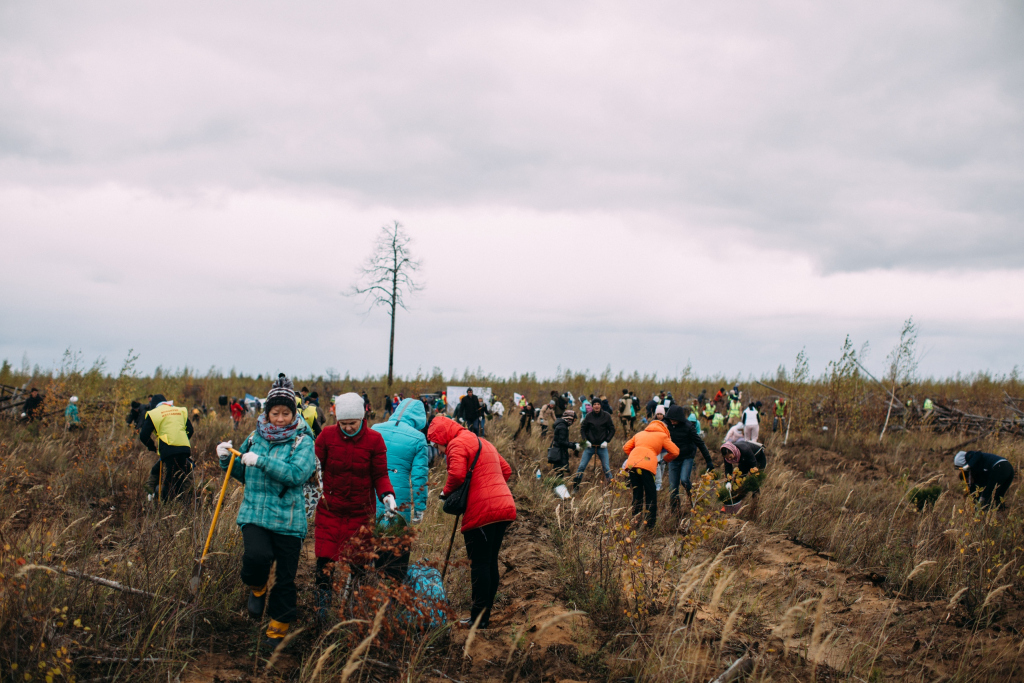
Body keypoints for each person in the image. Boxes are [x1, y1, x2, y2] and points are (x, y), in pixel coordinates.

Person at [214, 374, 316, 649]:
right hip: (255, 514)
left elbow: (297, 474)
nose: (280, 418)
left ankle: (277, 631)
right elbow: (244, 474)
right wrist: (227, 459)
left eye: (286, 413)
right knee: (256, 557)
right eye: (275, 413)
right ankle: (257, 587)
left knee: (285, 579)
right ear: (267, 413)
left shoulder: (303, 441)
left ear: (294, 413)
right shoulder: (254, 437)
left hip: (288, 520)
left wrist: (262, 461)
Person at [314, 393, 398, 620]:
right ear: (337, 420)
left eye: (353, 423)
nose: (348, 428)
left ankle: (351, 604)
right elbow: (314, 467)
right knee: (324, 560)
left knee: (358, 561)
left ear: (362, 418)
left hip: (361, 512)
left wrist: (387, 495)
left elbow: (380, 475)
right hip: (330, 510)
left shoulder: (374, 440)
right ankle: (321, 607)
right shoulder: (326, 436)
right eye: (344, 423)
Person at [429, 415, 516, 629]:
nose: (439, 451)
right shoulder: (483, 441)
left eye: (436, 445)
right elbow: (506, 470)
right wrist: (489, 488)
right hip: (504, 507)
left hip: (483, 513)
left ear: (442, 437)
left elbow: (457, 476)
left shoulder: (456, 444)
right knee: (489, 562)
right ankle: (484, 617)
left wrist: (445, 493)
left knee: (479, 564)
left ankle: (477, 619)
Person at [373, 398, 429, 526]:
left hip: (374, 491)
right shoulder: (418, 438)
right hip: (400, 495)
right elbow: (419, 476)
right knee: (397, 538)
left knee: (371, 539)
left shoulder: (375, 428)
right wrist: (419, 507)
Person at [622, 417, 679, 529]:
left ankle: (635, 522)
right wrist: (664, 460)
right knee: (651, 494)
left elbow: (626, 447)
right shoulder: (662, 436)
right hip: (647, 466)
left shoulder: (640, 434)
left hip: (633, 465)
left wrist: (635, 457)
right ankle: (649, 525)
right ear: (664, 428)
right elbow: (675, 451)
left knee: (637, 494)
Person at [140, 394, 194, 501]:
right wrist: (181, 440)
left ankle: (167, 507)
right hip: (184, 449)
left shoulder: (154, 413)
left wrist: (152, 447)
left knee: (169, 480)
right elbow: (190, 430)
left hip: (168, 449)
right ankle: (182, 504)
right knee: (179, 477)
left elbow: (143, 435)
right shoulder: (179, 410)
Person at [665, 404, 714, 511]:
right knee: (673, 488)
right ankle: (674, 511)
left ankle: (692, 501)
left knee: (684, 480)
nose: (672, 421)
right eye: (670, 419)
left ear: (679, 418)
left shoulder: (688, 427)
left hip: (687, 457)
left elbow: (700, 443)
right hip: (674, 459)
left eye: (674, 419)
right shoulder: (667, 426)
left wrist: (709, 461)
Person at [573, 398, 616, 490]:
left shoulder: (606, 416)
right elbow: (583, 429)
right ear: (592, 406)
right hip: (589, 446)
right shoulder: (589, 416)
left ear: (601, 406)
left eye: (598, 404)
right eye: (595, 404)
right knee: (581, 466)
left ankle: (611, 489)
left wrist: (606, 441)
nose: (596, 406)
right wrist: (586, 440)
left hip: (602, 446)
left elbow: (612, 429)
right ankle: (575, 487)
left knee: (606, 468)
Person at [548, 410, 578, 477]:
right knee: (560, 473)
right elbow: (561, 442)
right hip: (560, 453)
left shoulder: (561, 425)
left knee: (559, 472)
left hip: (559, 452)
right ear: (569, 418)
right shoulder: (563, 427)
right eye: (574, 420)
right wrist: (573, 446)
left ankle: (558, 486)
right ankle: (558, 486)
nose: (573, 423)